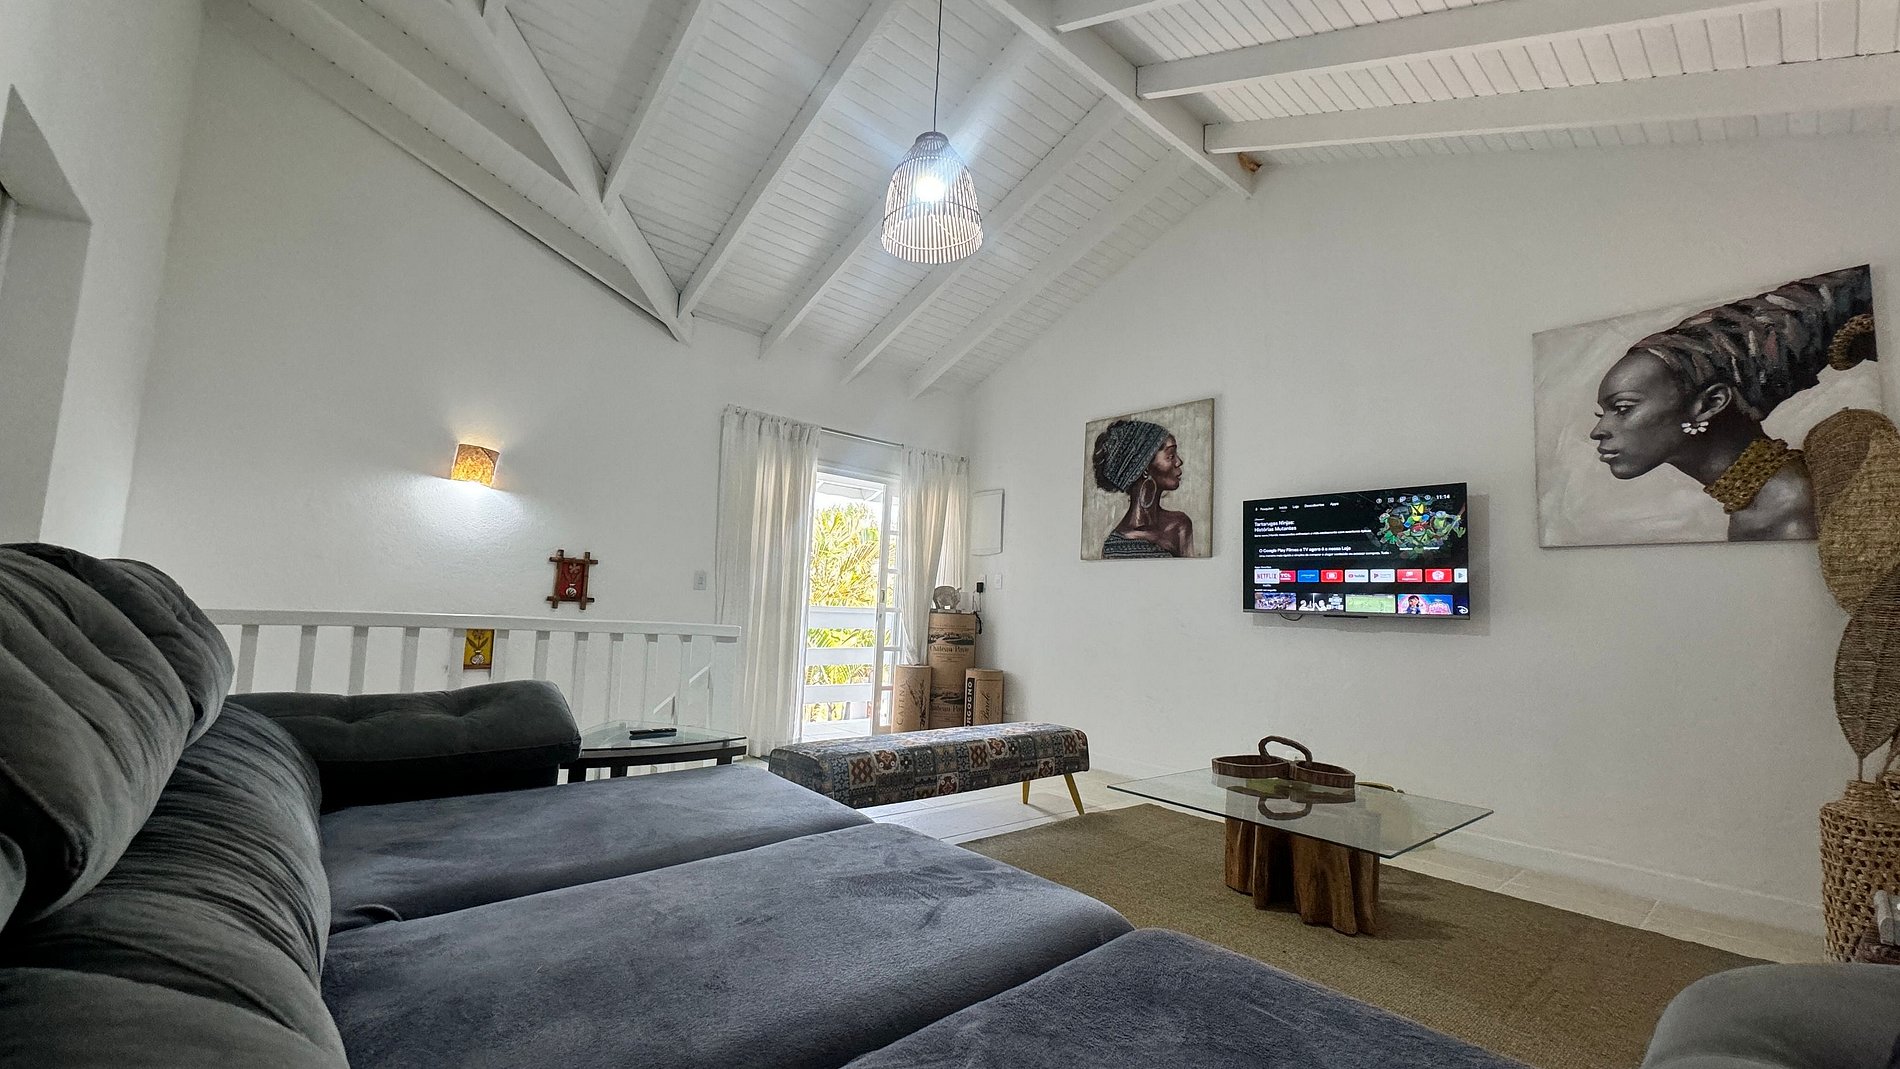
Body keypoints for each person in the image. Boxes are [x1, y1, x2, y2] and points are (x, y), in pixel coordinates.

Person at [1589, 267, 1875, 541]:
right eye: (1602, 413)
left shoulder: (1788, 514)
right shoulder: (1761, 504)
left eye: (1622, 408)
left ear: (1709, 404)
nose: (1597, 431)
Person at [1091, 418, 1192, 558]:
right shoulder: (1112, 547)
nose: (1179, 462)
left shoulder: (1179, 525)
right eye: (1170, 456)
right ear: (1145, 468)